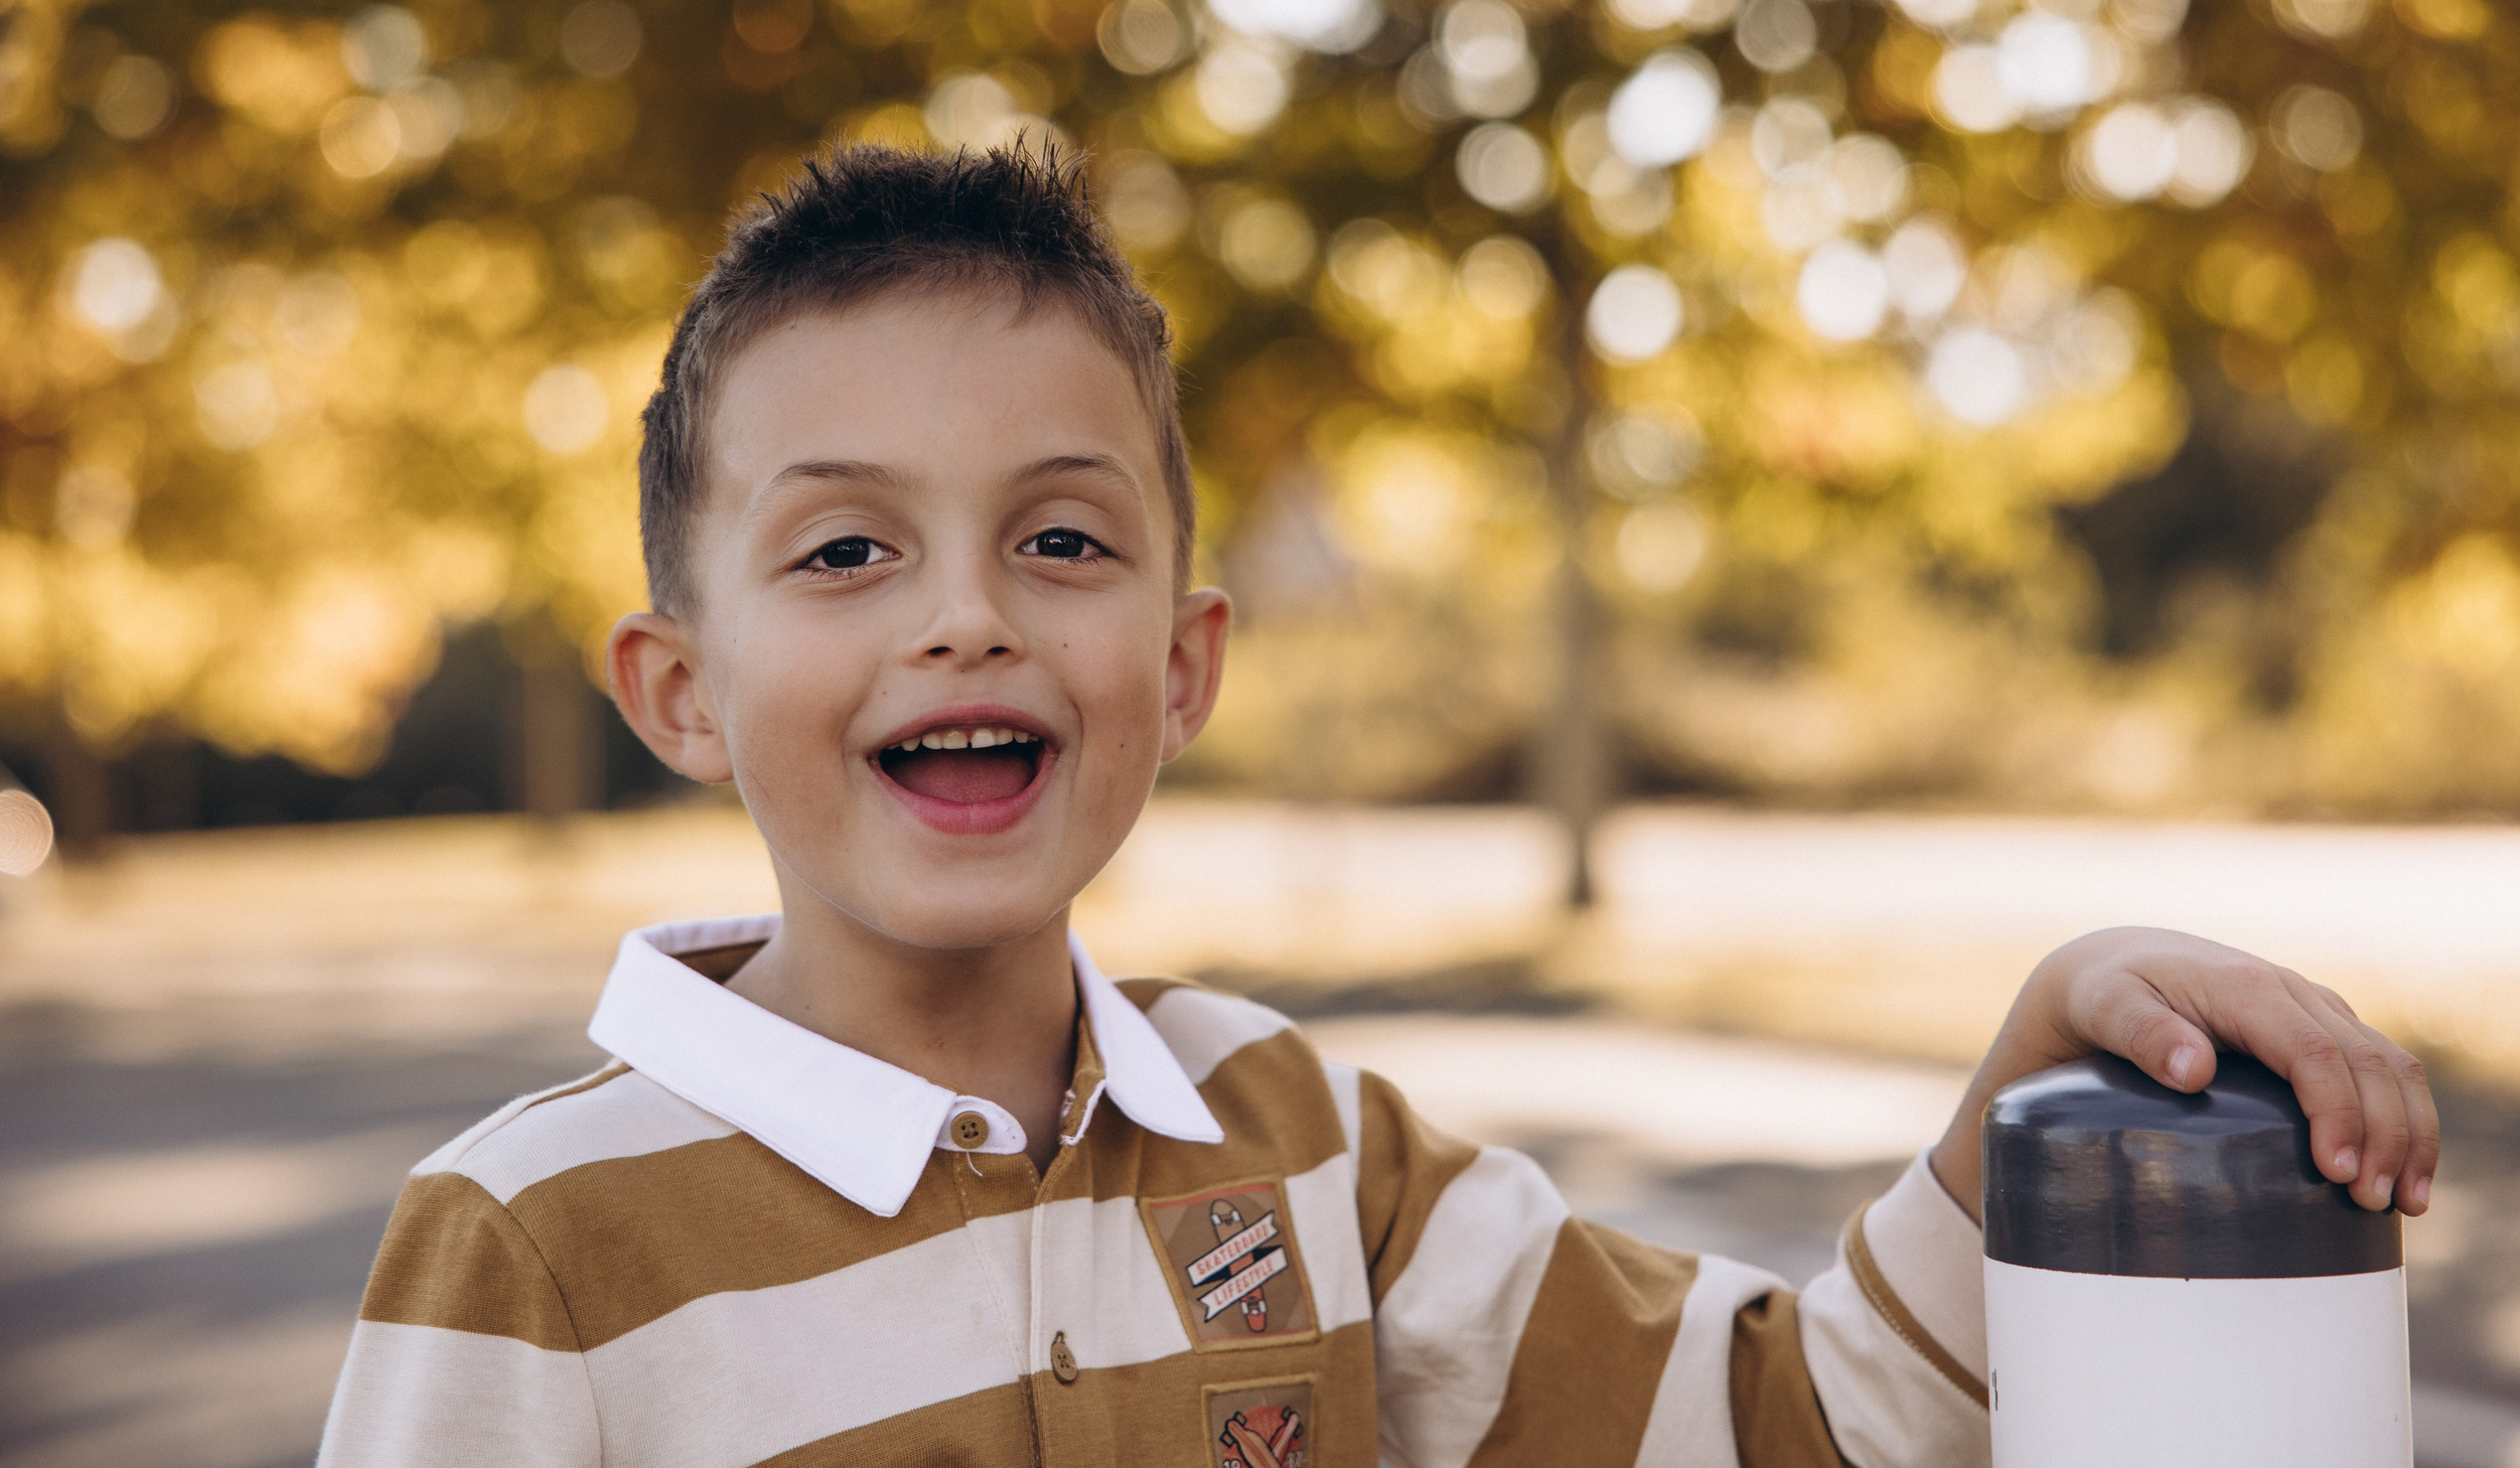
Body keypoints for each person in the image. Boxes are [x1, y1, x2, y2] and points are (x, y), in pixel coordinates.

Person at [316, 143, 2438, 1468]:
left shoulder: (1301, 1141)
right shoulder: (532, 1245)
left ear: (1183, 662)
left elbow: (1785, 1428)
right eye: (845, 551)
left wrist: (2031, 1043)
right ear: (676, 690)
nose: (964, 617)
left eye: (1060, 540)